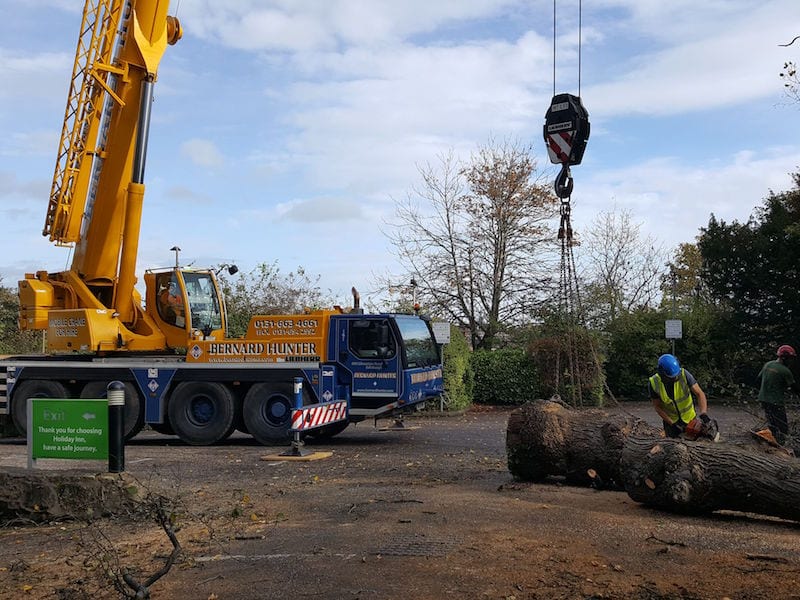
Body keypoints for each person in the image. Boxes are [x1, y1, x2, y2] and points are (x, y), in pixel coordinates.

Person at [649, 353, 710, 438]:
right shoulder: (654, 383)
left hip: (690, 419)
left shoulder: (684, 375)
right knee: (671, 444)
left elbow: (699, 394)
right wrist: (672, 424)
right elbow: (658, 407)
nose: (675, 378)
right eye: (671, 377)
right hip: (671, 422)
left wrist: (703, 413)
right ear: (662, 374)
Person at [756, 345, 800, 445]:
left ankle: (771, 442)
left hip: (763, 399)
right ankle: (780, 445)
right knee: (783, 428)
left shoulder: (768, 364)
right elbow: (795, 389)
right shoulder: (785, 371)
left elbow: (758, 380)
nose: (792, 361)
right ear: (785, 358)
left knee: (772, 423)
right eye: (790, 359)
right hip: (776, 402)